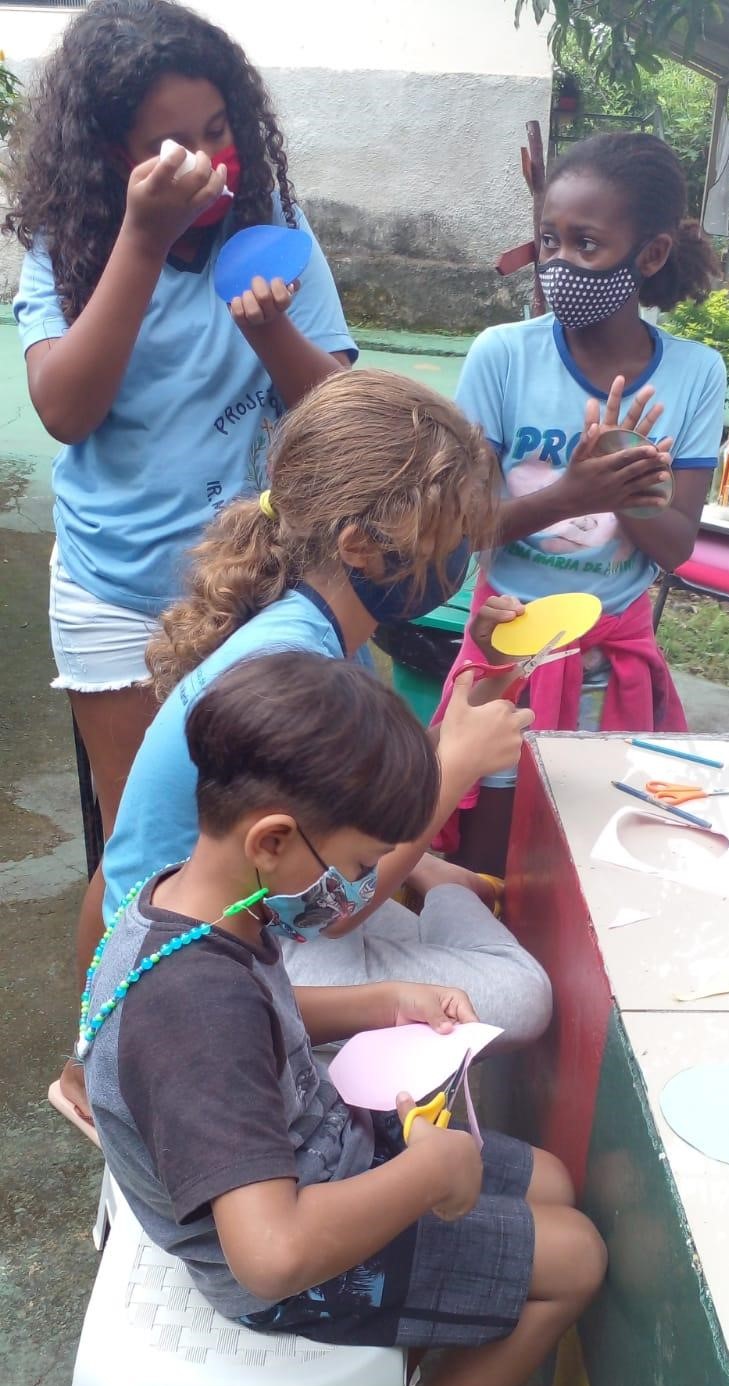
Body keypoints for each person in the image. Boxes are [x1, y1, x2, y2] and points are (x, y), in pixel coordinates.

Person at [81, 650, 607, 1386]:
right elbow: (272, 1254)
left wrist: (379, 1000)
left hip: (317, 1155)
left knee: (553, 1182)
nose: (359, 888)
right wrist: (428, 1172)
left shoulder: (199, 898)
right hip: (294, 1257)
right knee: (576, 1256)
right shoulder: (193, 1010)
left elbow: (262, 1017)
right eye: (358, 865)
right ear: (274, 840)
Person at [45, 369, 551, 1139]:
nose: (458, 565)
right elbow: (334, 906)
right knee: (524, 994)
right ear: (360, 547)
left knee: (437, 925)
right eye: (449, 541)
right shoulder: (295, 662)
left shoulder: (313, 630)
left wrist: (479, 676)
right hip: (216, 959)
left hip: (242, 924)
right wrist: (455, 769)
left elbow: (361, 798)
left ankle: (438, 894)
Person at [6, 0, 356, 951]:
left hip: (247, 589)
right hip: (117, 595)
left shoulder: (274, 231)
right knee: (148, 849)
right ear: (109, 155)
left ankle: (225, 1006)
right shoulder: (71, 248)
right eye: (170, 145)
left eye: (216, 130)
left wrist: (270, 331)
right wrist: (144, 239)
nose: (206, 161)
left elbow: (338, 416)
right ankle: (106, 1031)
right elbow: (65, 410)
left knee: (260, 833)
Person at [431, 131, 728, 874]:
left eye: (586, 244)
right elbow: (465, 528)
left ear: (650, 255)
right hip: (507, 652)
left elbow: (677, 546)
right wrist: (573, 493)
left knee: (587, 864)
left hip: (611, 662)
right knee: (487, 863)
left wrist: (625, 492)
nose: (560, 263)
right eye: (549, 241)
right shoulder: (503, 355)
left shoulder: (695, 374)